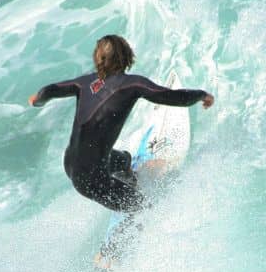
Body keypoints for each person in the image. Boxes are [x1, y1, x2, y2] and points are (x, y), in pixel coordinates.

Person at [29, 34, 214, 214]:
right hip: (91, 180)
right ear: (127, 56)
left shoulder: (84, 82)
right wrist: (201, 95)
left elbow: (49, 90)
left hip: (70, 163)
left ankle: (128, 182)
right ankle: (120, 235)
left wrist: (37, 100)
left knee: (123, 160)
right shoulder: (132, 84)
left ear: (98, 58)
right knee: (145, 209)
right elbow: (173, 97)